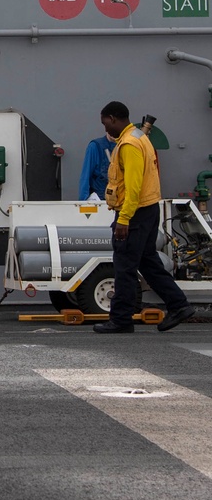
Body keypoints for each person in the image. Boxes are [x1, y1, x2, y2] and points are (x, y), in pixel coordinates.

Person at [95, 99, 196, 334]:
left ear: (112, 119)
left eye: (105, 123)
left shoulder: (129, 144)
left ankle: (120, 320)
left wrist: (123, 220)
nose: (105, 129)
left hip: (135, 212)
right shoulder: (141, 137)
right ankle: (179, 305)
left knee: (125, 266)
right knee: (148, 262)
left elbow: (133, 187)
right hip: (148, 210)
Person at [79, 126, 116, 201]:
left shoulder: (126, 147)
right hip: (100, 200)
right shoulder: (95, 146)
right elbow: (85, 176)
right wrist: (83, 201)